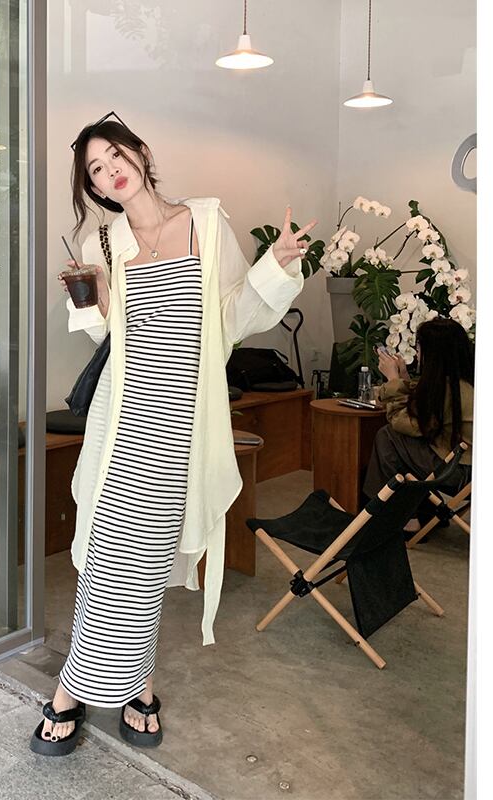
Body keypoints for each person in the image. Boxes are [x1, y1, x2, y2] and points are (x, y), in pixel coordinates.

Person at [32, 114, 317, 756]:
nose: (110, 171)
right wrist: (92, 295)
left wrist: (274, 265)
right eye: (96, 170)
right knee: (107, 561)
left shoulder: (204, 221)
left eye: (115, 155)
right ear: (95, 189)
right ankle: (85, 688)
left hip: (182, 422)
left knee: (147, 566)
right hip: (124, 421)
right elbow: (110, 335)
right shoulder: (107, 241)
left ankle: (119, 685)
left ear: (141, 152)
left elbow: (232, 316)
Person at [363, 316, 474, 530]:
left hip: (461, 473)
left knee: (388, 437)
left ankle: (399, 518)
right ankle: (422, 511)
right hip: (466, 467)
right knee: (398, 443)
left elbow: (407, 424)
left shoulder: (450, 389)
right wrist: (403, 377)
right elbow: (423, 410)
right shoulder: (462, 382)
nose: (417, 353)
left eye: (420, 348)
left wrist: (393, 381)